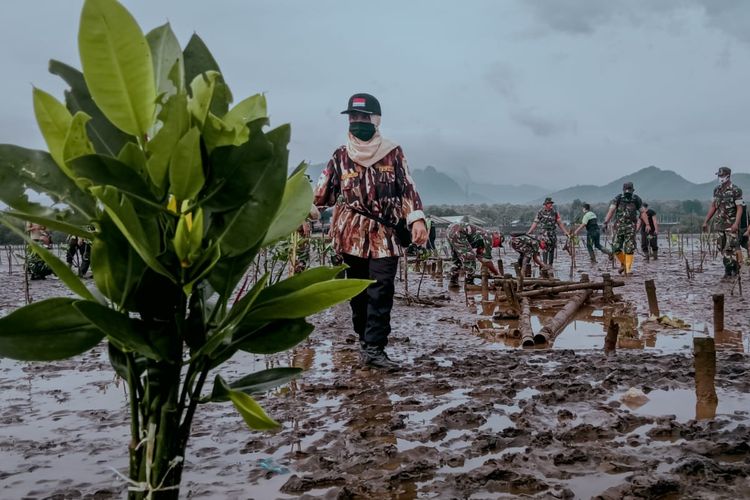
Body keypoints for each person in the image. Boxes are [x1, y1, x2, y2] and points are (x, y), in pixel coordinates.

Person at [314, 93, 427, 369]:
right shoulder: (340, 156)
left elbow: (408, 188)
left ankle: (376, 348)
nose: (358, 122)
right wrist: (301, 213)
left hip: (384, 234)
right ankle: (364, 341)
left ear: (375, 120)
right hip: (350, 234)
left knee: (381, 289)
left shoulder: (393, 152)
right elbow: (321, 196)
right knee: (358, 291)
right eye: (353, 117)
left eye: (363, 117)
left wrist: (417, 220)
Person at [703, 166, 744, 278]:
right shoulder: (717, 190)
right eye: (719, 176)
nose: (720, 178)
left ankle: (730, 270)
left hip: (731, 225)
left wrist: (736, 223)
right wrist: (706, 221)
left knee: (730, 248)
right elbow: (714, 206)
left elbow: (740, 208)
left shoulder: (736, 190)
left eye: (722, 175)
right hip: (719, 224)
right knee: (721, 248)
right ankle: (731, 267)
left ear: (728, 176)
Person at [602, 182, 648, 275]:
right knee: (615, 247)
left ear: (633, 190)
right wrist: (605, 222)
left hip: (631, 228)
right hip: (619, 227)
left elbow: (642, 213)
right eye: (626, 189)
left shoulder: (636, 199)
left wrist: (647, 224)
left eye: (629, 190)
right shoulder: (618, 198)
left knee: (629, 248)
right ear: (623, 190)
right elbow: (611, 211)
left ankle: (628, 269)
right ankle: (623, 263)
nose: (628, 191)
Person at [446, 222, 502, 288]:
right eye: (499, 243)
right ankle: (469, 283)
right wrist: (497, 274)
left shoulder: (482, 235)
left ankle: (453, 282)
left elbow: (480, 257)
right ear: (498, 237)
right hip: (458, 232)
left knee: (457, 260)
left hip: (450, 231)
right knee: (470, 257)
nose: (496, 246)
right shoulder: (489, 237)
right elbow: (486, 260)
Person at [527, 197, 570, 267]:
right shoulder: (540, 212)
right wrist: (529, 231)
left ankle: (550, 265)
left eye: (551, 203)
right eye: (549, 203)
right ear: (546, 204)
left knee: (552, 249)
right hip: (543, 233)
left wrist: (565, 232)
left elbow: (560, 223)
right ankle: (544, 265)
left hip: (552, 233)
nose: (551, 205)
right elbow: (535, 222)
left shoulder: (555, 212)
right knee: (544, 248)